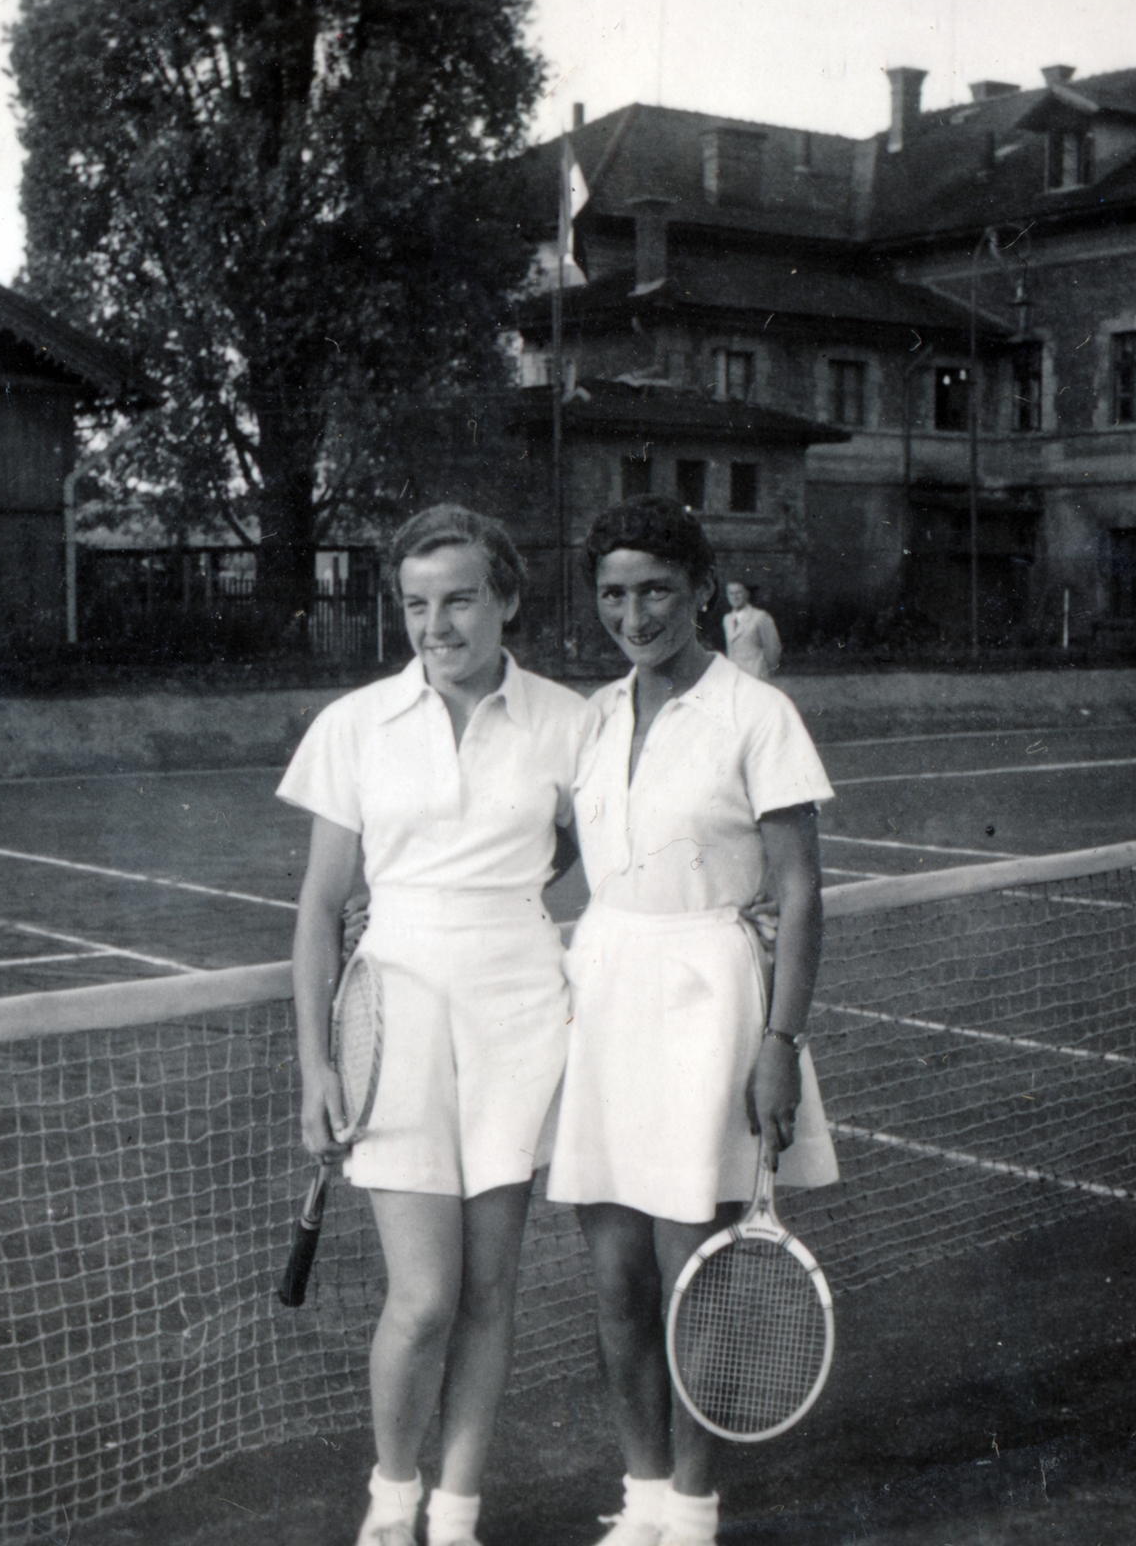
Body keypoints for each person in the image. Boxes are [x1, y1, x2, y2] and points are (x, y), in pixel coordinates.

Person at [278, 504, 588, 1546]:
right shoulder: (354, 723)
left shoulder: (569, 720)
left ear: (504, 597)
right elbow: (321, 906)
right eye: (415, 604)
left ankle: (454, 1514)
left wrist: (499, 903)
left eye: (457, 599)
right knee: (422, 1297)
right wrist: (314, 1065)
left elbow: (593, 846)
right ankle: (393, 1495)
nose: (435, 625)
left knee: (490, 1289)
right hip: (392, 1017)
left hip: (519, 1011)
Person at [547, 496, 839, 1546]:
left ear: (701, 590)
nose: (634, 613)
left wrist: (778, 1044)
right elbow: (544, 860)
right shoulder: (589, 717)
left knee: (691, 1270)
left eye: (656, 589)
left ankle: (695, 1508)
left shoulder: (755, 714)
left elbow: (800, 892)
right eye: (614, 593)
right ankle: (642, 1500)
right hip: (605, 993)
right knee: (616, 1275)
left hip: (713, 1000)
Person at [721, 580, 782, 679]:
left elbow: (773, 648)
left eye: (738, 593)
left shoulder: (760, 617)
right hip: (734, 677)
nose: (734, 597)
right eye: (731, 593)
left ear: (747, 594)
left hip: (755, 676)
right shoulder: (727, 619)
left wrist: (765, 672)